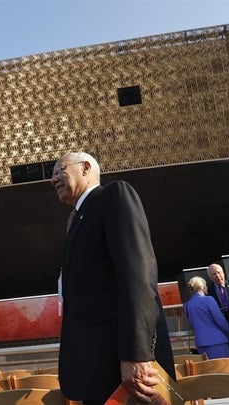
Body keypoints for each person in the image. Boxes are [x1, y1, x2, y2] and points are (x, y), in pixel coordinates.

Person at [50, 152, 175, 405]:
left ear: (85, 168)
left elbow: (137, 275)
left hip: (124, 367)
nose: (53, 180)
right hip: (95, 369)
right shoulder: (76, 219)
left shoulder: (113, 196)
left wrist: (136, 354)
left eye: (59, 170)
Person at [184, 276, 229, 359]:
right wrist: (228, 330)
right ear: (202, 287)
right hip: (217, 341)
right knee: (225, 369)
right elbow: (220, 320)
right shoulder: (209, 299)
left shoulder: (187, 305)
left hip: (201, 343)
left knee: (209, 370)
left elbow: (192, 323)